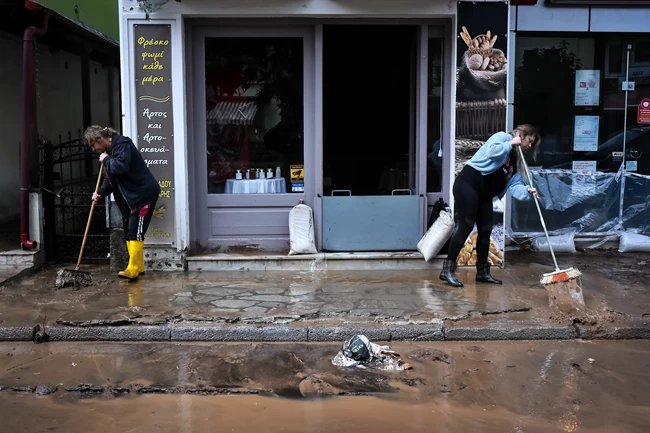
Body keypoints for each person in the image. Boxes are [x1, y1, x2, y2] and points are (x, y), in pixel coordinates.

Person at [440, 124, 541, 287]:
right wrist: (510, 144)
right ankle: (447, 270)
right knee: (466, 226)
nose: (529, 146)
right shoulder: (502, 138)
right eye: (529, 141)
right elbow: (491, 152)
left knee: (486, 229)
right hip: (468, 185)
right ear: (521, 135)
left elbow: (514, 186)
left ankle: (482, 272)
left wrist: (527, 190)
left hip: (484, 195)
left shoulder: (516, 163)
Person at [84, 126, 161, 281]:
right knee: (128, 231)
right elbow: (110, 181)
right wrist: (99, 193)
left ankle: (132, 269)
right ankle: (138, 267)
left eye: (93, 145)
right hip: (128, 198)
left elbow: (121, 167)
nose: (93, 149)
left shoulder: (122, 145)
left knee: (136, 231)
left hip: (143, 194)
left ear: (100, 139)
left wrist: (106, 160)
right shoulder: (108, 155)